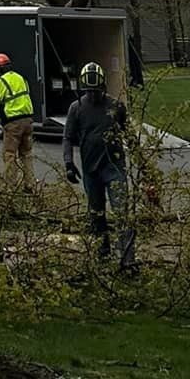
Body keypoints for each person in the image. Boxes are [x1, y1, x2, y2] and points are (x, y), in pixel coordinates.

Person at [63, 60, 136, 270]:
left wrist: (143, 165)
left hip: (114, 169)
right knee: (96, 214)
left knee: (121, 213)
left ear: (103, 88)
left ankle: (128, 259)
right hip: (91, 171)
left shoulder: (116, 107)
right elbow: (67, 138)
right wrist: (69, 163)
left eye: (96, 91)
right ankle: (102, 254)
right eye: (89, 91)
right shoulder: (76, 109)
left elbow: (130, 137)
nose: (93, 95)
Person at [0, 51, 36, 188]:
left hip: (13, 123)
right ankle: (30, 185)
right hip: (28, 120)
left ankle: (10, 189)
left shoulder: (1, 82)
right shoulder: (21, 78)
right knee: (27, 154)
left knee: (10, 155)